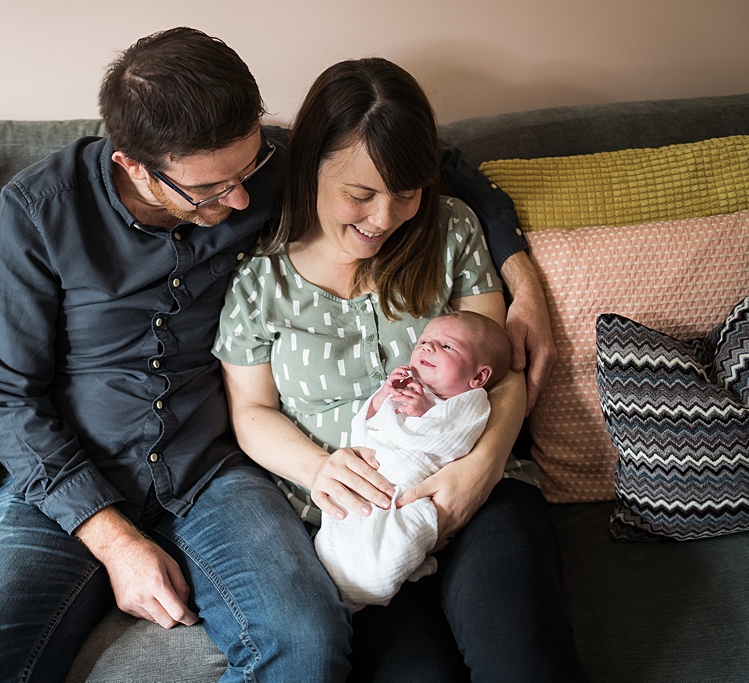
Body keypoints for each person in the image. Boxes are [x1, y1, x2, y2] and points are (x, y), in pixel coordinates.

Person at [0, 26, 561, 683]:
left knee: (306, 649)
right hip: (66, 482)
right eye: (214, 189)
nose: (244, 198)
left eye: (249, 170)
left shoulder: (278, 167)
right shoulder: (40, 210)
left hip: (210, 477)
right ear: (133, 164)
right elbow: (8, 398)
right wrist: (113, 539)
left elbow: (432, 167)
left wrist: (523, 283)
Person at [214, 58, 587, 681]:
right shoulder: (259, 278)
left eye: (406, 193)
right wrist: (321, 469)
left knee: (523, 657)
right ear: (310, 166)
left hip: (483, 490)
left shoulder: (452, 231)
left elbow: (503, 372)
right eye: (360, 194)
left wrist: (479, 470)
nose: (385, 218)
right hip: (354, 522)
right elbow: (251, 413)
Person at [314, 311, 512, 611]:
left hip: (410, 486)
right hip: (371, 474)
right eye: (424, 341)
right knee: (342, 524)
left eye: (447, 346)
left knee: (402, 536)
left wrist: (423, 415)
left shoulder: (471, 403)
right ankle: (340, 575)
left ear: (478, 377)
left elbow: (453, 442)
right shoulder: (408, 386)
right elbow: (365, 428)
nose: (428, 348)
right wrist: (382, 397)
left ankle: (379, 578)